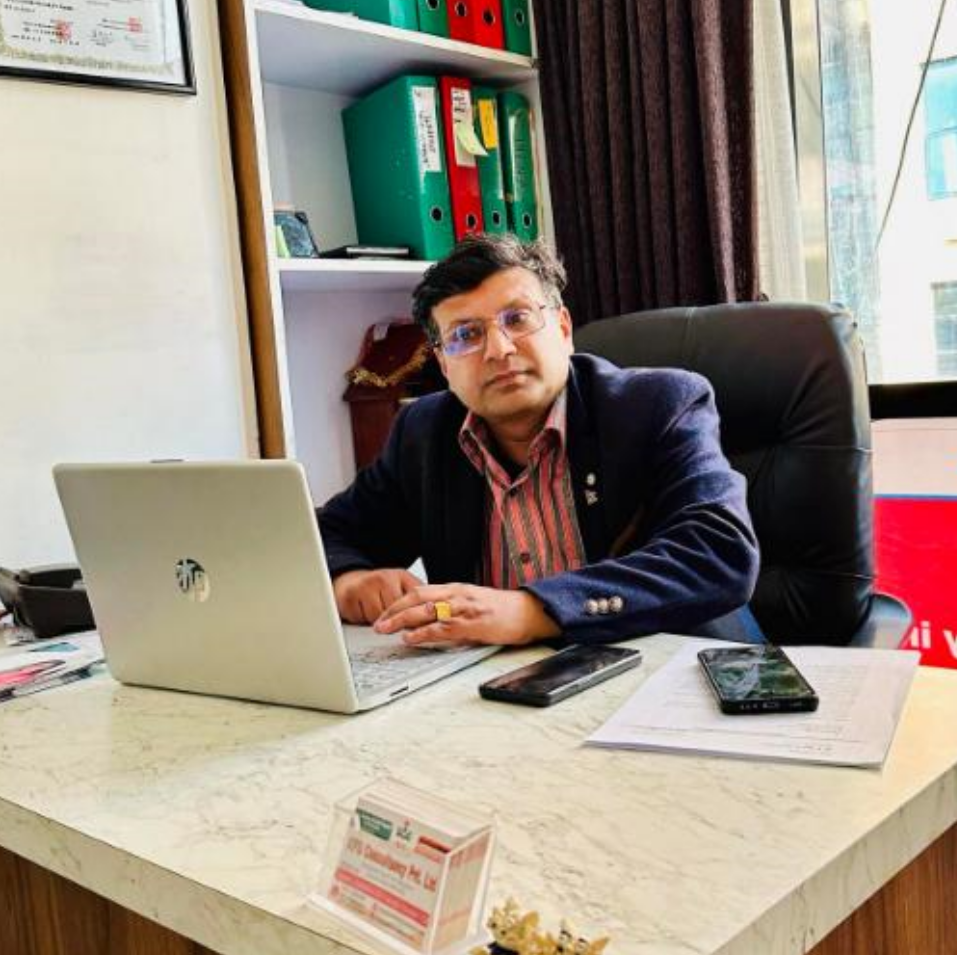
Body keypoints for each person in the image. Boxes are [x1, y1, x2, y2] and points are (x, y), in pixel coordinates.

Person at [319, 234, 760, 648]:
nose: (499, 349)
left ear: (564, 328)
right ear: (443, 363)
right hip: (507, 683)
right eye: (466, 335)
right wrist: (348, 579)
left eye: (517, 319)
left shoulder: (658, 405)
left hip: (675, 666)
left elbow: (719, 553)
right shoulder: (423, 431)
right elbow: (323, 534)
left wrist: (532, 610)